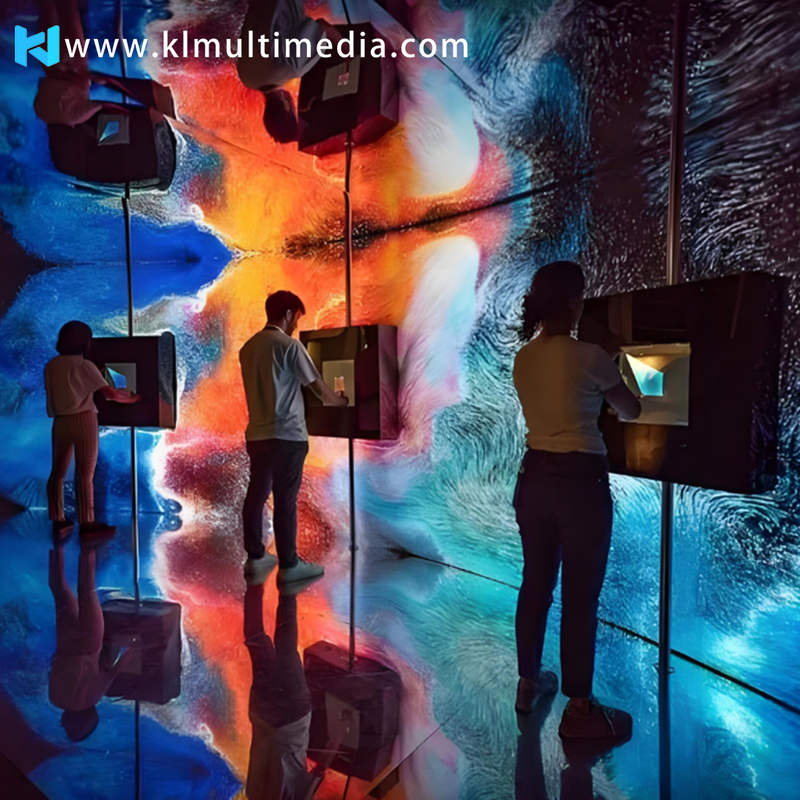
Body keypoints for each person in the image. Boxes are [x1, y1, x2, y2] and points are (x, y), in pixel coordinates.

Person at [512, 261, 641, 739]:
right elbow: (632, 409)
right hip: (580, 485)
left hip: (533, 480)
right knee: (579, 597)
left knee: (535, 585)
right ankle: (581, 709)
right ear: (573, 302)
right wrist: (613, 357)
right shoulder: (591, 356)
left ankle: (528, 684)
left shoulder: (523, 358)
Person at [239, 291, 347, 586]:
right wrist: (339, 400)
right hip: (287, 436)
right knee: (285, 500)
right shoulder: (290, 346)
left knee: (256, 495)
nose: (297, 324)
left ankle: (256, 557)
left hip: (257, 436)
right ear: (288, 314)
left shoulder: (248, 348)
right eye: (297, 317)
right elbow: (318, 387)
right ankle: (289, 565)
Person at [45, 321, 140, 542]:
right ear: (85, 342)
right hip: (84, 420)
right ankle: (87, 524)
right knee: (84, 475)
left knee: (57, 472)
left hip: (60, 422)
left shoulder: (51, 366)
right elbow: (110, 394)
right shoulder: (85, 365)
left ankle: (58, 520)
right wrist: (135, 398)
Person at [48, 544, 140, 742]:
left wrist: (136, 646)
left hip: (89, 644)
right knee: (60, 590)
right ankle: (58, 543)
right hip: (66, 642)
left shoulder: (92, 698)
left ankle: (88, 545)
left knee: (87, 591)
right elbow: (53, 665)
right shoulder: (54, 698)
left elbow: (114, 670)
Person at [243, 582, 324, 799]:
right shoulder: (252, 794)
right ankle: (254, 580)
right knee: (256, 642)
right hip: (262, 712)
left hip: (292, 717)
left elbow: (319, 772)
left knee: (286, 650)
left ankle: (289, 583)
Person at [236, 0, 342, 142]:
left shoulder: (293, 68)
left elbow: (323, 27)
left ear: (287, 108)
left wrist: (347, 50)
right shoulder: (245, 76)